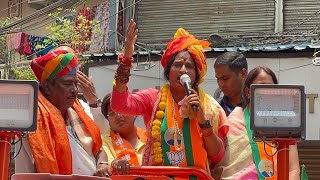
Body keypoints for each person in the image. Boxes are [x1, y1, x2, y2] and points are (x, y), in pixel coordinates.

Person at [110, 19, 229, 178]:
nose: (183, 70)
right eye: (177, 65)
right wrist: (126, 58)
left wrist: (202, 120)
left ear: (197, 75)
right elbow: (119, 105)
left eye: (190, 67)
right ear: (168, 71)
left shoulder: (209, 107)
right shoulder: (153, 98)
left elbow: (217, 155)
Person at [15, 47, 111, 177]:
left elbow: (98, 148)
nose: (74, 90)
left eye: (75, 84)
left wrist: (102, 164)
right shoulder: (30, 119)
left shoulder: (80, 109)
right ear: (48, 86)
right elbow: (25, 171)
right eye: (67, 84)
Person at [212, 66, 300, 180]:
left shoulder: (285, 124)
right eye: (261, 87)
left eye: (271, 88)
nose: (267, 92)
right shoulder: (232, 123)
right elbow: (223, 166)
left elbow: (293, 169)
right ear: (248, 92)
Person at [100, 93, 147, 175]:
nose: (119, 116)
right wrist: (115, 164)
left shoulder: (150, 137)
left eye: (122, 110)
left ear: (135, 113)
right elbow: (106, 166)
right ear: (107, 119)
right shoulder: (102, 141)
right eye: (112, 113)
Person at [214, 51, 248, 116]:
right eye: (218, 79)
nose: (221, 84)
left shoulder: (256, 107)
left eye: (225, 78)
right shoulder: (214, 107)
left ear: (243, 74)